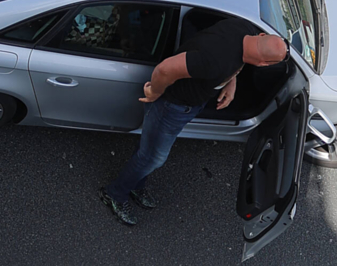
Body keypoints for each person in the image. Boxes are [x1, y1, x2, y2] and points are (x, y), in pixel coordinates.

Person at [99, 17, 290, 225]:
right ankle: (115, 193)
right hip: (172, 106)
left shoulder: (243, 28)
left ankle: (135, 183)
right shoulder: (215, 62)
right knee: (153, 158)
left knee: (149, 151)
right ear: (262, 64)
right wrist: (154, 92)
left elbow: (237, 58)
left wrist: (231, 81)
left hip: (187, 104)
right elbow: (166, 69)